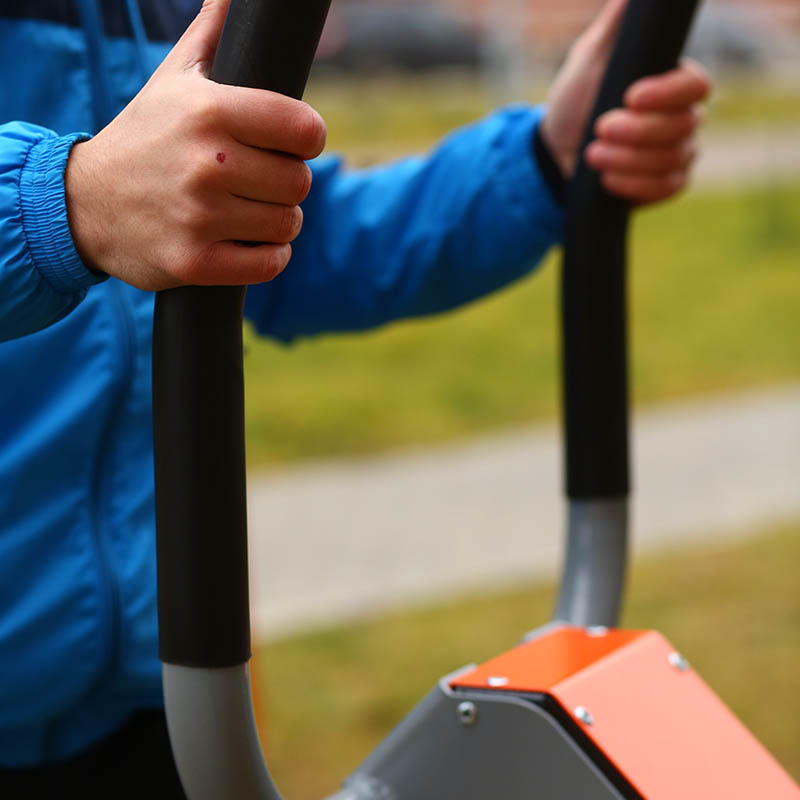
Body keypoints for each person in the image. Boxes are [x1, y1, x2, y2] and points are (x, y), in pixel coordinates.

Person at [0, 0, 709, 794]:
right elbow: (114, 199)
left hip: (152, 703)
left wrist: (546, 157)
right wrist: (71, 201)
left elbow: (287, 238)